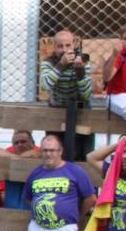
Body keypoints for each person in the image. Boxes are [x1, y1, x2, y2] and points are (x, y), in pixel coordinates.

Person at [39, 29, 94, 160]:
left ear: (74, 45)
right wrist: (60, 65)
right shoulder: (49, 63)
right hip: (56, 110)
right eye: (60, 46)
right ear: (54, 47)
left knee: (83, 155)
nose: (64, 49)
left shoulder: (83, 61)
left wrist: (80, 70)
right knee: (55, 153)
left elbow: (86, 94)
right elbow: (45, 85)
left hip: (80, 109)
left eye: (68, 45)